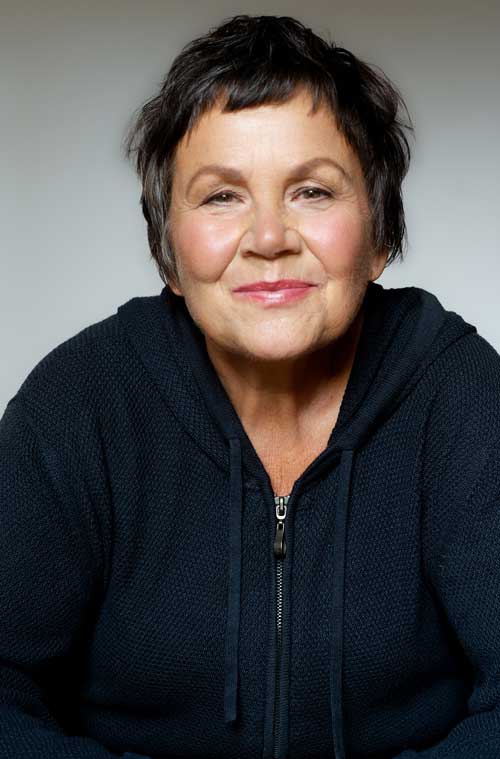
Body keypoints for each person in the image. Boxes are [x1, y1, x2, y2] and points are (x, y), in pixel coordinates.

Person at [1, 12, 499, 759]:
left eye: (313, 191)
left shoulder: (460, 394)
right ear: (168, 251)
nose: (269, 238)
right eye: (221, 196)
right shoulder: (80, 403)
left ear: (380, 236)